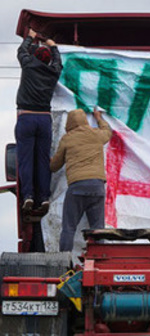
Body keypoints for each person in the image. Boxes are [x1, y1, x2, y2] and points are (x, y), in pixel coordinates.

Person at [50, 107, 112, 252]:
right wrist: (98, 118)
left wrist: (50, 160)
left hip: (77, 187)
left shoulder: (67, 139)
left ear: (69, 123)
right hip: (97, 187)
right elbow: (108, 132)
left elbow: (54, 166)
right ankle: (98, 261)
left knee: (69, 228)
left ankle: (63, 261)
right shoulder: (96, 134)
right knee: (98, 229)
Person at [15, 28, 63, 212]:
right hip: (44, 119)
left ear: (34, 56)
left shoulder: (28, 65)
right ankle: (44, 198)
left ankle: (28, 196)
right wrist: (54, 46)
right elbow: (58, 62)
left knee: (26, 159)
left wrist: (30, 37)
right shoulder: (53, 72)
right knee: (43, 160)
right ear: (48, 59)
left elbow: (21, 51)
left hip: (26, 116)